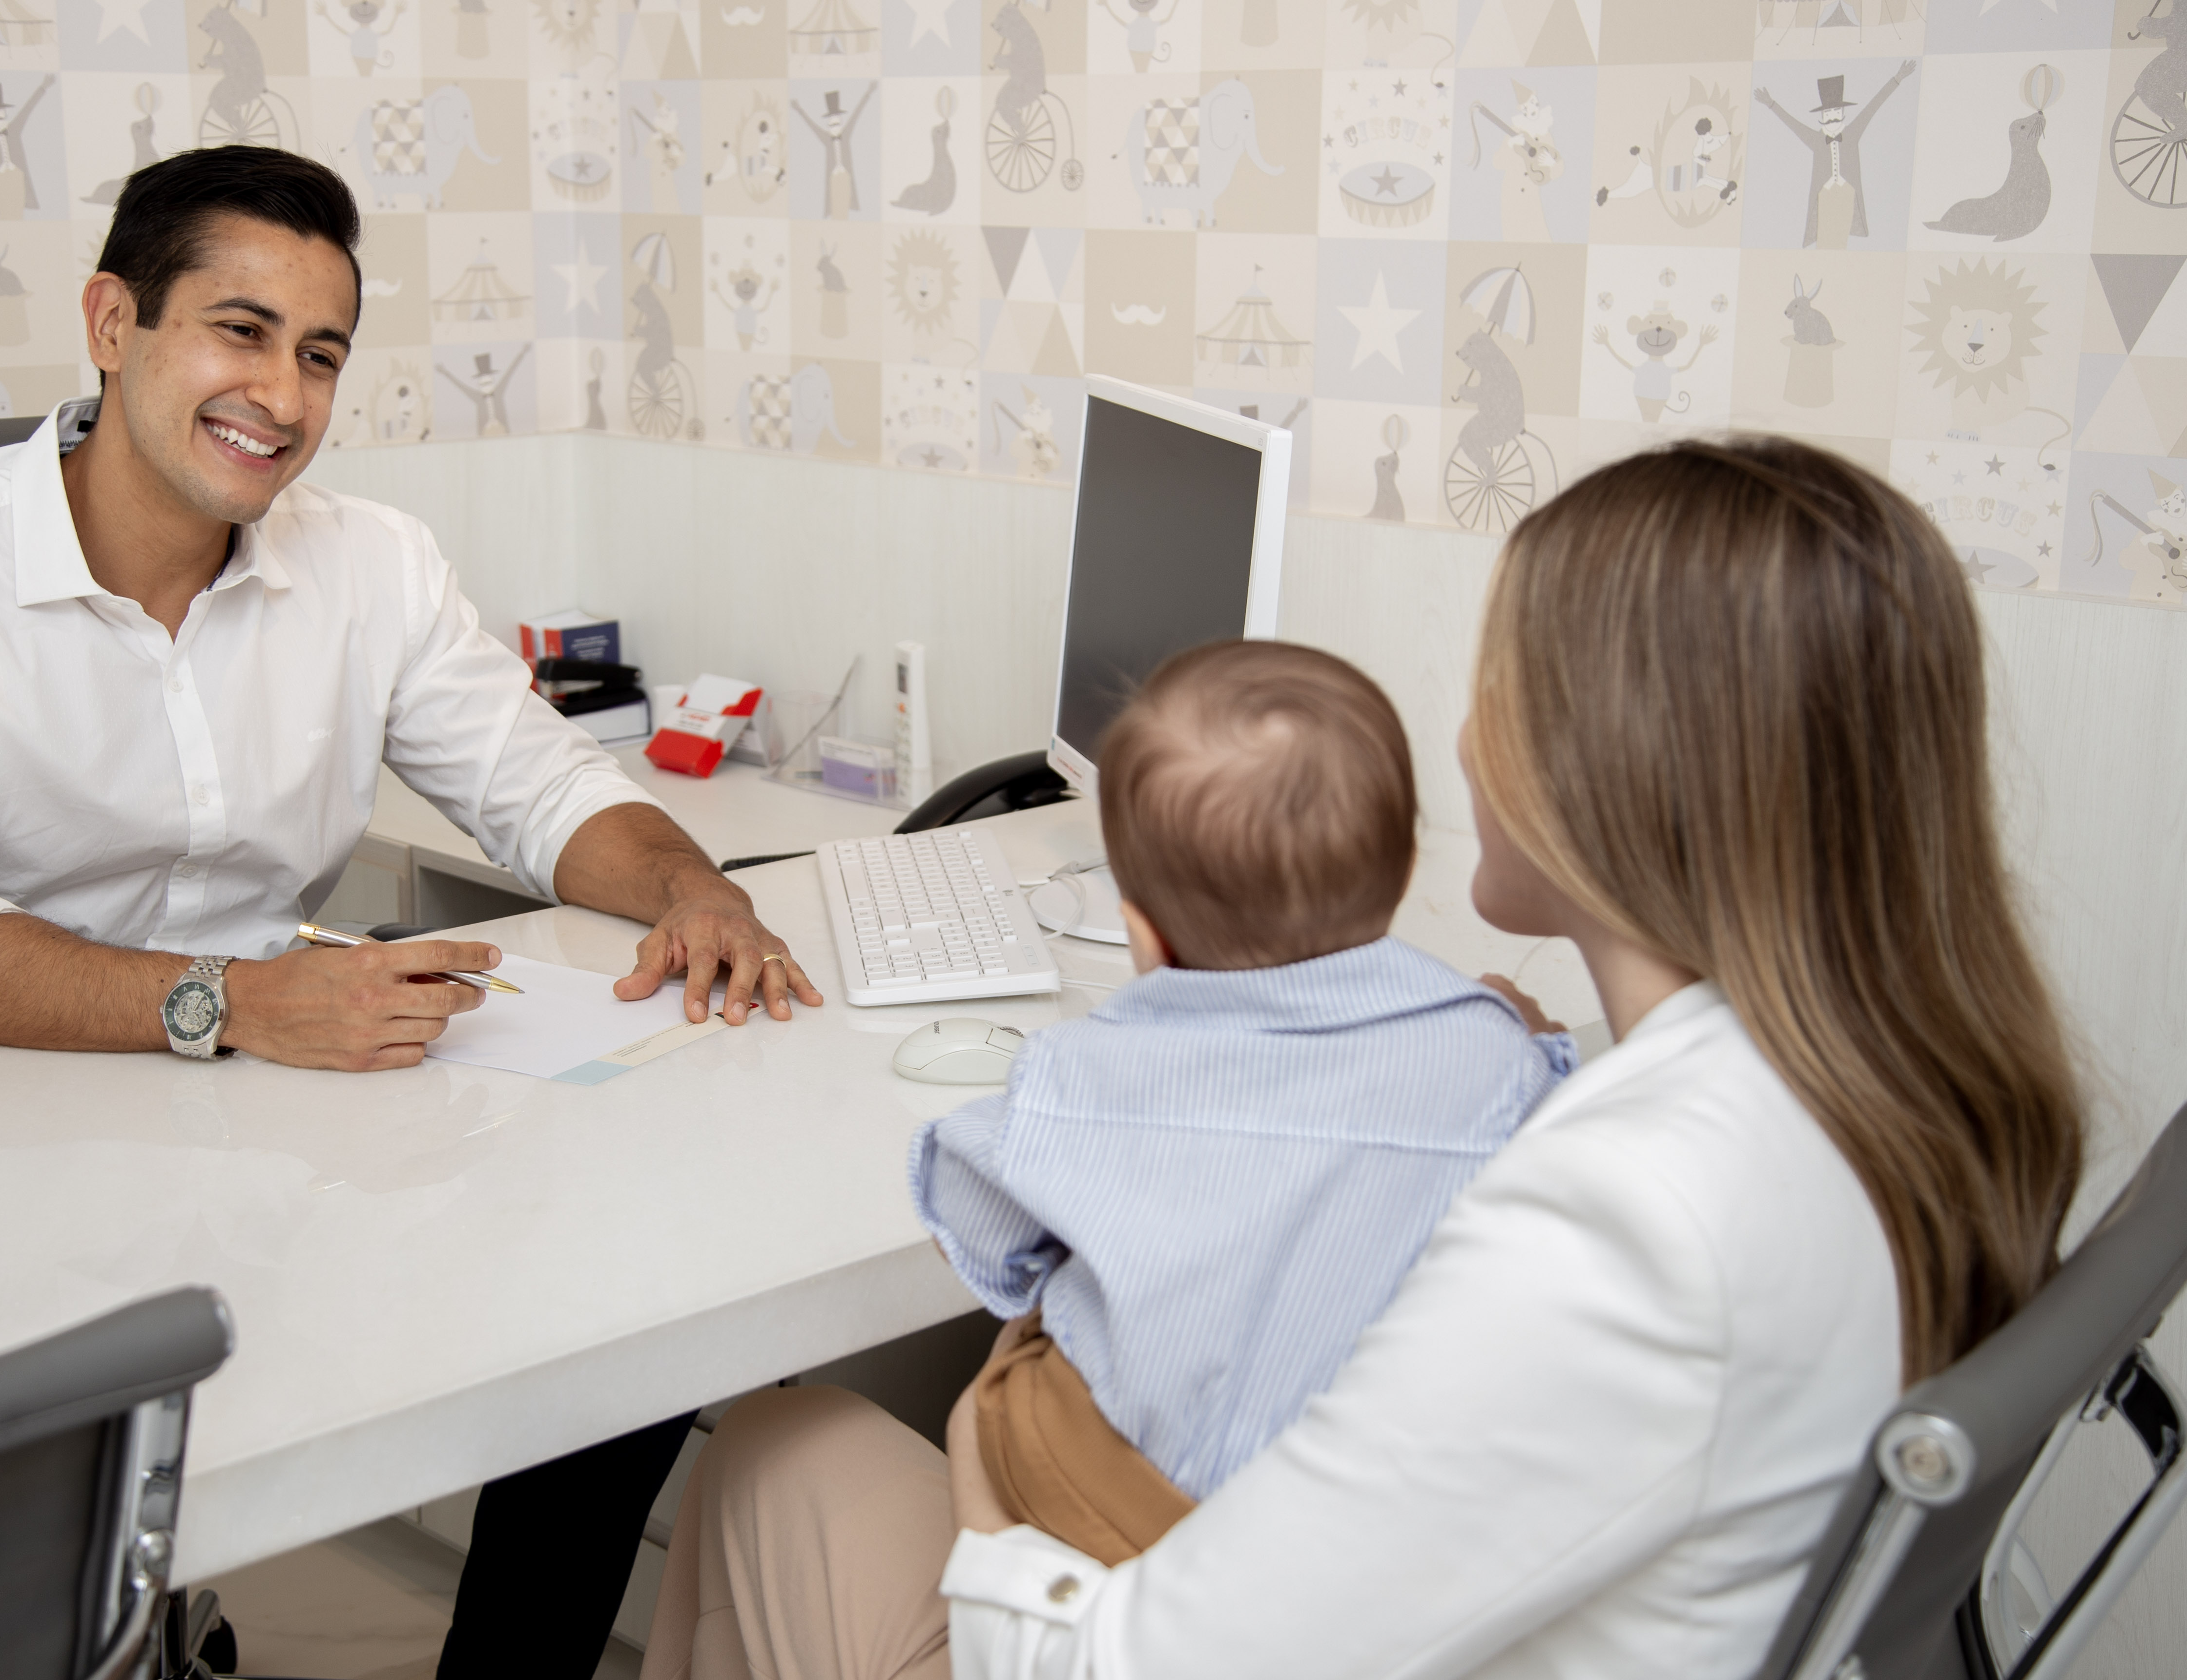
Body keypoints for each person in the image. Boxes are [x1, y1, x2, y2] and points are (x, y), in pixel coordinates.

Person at [637, 436, 2083, 1680]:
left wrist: (982, 1434)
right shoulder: (1874, 1098)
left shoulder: (1631, 1217)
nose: (1464, 741)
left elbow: (1140, 1663)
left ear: (1607, 767)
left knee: (779, 1459)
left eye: (1497, 689)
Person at [0, 145, 820, 1677]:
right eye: (239, 330)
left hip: (277, 1122)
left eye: (320, 353)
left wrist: (693, 885)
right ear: (112, 323)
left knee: (630, 1290)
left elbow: (540, 788)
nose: (285, 393)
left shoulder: (370, 564)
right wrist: (232, 1004)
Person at [912, 639, 1573, 1566]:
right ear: (1406, 866)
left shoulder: (1083, 1073)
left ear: (1140, 931)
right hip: (1334, 1525)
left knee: (987, 1403)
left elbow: (983, 1232)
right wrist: (1519, 1033)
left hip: (1114, 1493)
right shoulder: (1500, 1061)